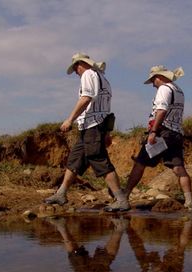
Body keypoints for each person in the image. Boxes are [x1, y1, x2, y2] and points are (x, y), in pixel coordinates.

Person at [44, 53, 129, 211]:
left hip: (92, 126)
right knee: (75, 160)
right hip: (93, 126)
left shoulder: (88, 74)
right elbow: (106, 107)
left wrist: (70, 119)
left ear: (81, 64)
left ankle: (121, 199)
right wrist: (107, 132)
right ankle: (61, 193)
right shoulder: (103, 78)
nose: (76, 71)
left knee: (99, 159)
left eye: (76, 67)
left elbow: (86, 98)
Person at [105, 65, 192, 212]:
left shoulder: (164, 89)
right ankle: (189, 201)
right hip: (176, 133)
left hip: (162, 133)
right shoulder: (178, 90)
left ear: (159, 77)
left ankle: (124, 196)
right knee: (178, 168)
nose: (153, 84)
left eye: (153, 80)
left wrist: (153, 131)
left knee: (140, 162)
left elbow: (161, 111)